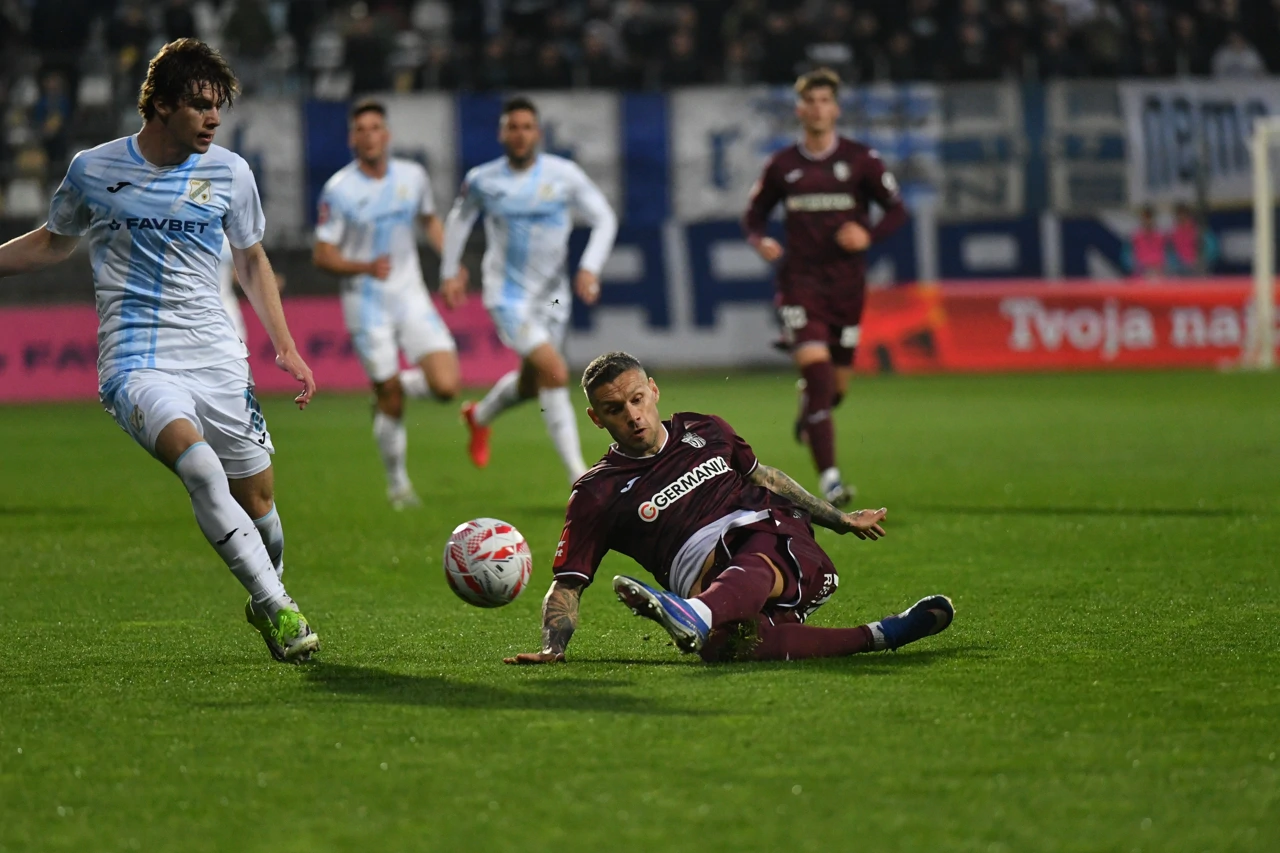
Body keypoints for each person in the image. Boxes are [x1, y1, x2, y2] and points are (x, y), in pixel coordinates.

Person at [0, 39, 319, 662]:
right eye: (201, 105)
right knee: (198, 468)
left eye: (218, 107)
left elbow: (251, 258)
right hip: (135, 361)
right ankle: (281, 611)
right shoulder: (93, 169)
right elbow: (52, 241)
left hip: (217, 356)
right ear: (162, 105)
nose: (213, 119)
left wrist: (285, 347)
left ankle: (264, 594)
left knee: (259, 506)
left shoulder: (230, 171)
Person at [505, 351, 954, 665]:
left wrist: (839, 521)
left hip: (772, 537)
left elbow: (766, 477)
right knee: (733, 647)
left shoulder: (707, 430)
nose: (633, 415)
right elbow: (567, 585)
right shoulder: (595, 493)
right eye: (615, 409)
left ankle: (694, 614)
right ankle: (884, 634)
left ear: (654, 390)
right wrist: (553, 647)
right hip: (712, 585)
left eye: (637, 399)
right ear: (596, 418)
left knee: (750, 546)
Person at [743, 67, 908, 506]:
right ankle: (830, 480)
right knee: (817, 375)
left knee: (835, 389)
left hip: (846, 290)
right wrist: (762, 242)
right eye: (809, 101)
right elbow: (753, 216)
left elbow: (896, 210)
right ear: (799, 110)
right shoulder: (782, 166)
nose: (817, 108)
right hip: (799, 285)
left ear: (835, 108)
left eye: (824, 101)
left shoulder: (861, 161)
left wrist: (868, 233)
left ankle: (809, 411)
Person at [441, 96, 618, 485]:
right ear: (502, 133)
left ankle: (479, 417)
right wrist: (450, 271)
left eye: (526, 127)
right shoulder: (483, 180)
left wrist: (590, 267)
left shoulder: (564, 175)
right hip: (506, 296)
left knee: (531, 382)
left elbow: (604, 217)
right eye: (512, 127)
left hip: (553, 298)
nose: (519, 135)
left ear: (538, 133)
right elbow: (459, 219)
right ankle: (578, 475)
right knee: (554, 370)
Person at [313, 99, 460, 509]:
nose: (369, 135)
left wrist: (450, 265)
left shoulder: (412, 177)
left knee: (447, 386)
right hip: (366, 303)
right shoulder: (340, 191)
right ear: (352, 139)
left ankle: (389, 388)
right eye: (361, 129)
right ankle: (398, 485)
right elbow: (322, 254)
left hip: (410, 296)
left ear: (387, 134)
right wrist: (362, 265)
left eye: (376, 127)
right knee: (391, 397)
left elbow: (429, 219)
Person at [1168, 203, 1219, 276]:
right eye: (1179, 216)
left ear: (1189, 216)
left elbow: (1212, 250)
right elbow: (1170, 254)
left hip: (1198, 267)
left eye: (1184, 216)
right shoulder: (1173, 233)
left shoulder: (1200, 231)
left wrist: (1202, 262)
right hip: (1180, 269)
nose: (1181, 218)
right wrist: (1177, 265)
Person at [1123, 206, 1168, 279]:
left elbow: (1167, 257)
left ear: (1153, 219)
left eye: (1149, 217)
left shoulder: (1162, 236)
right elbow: (1127, 258)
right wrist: (1140, 267)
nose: (1147, 220)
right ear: (1141, 219)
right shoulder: (1134, 236)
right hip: (1140, 273)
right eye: (1145, 218)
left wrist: (1158, 268)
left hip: (1158, 272)